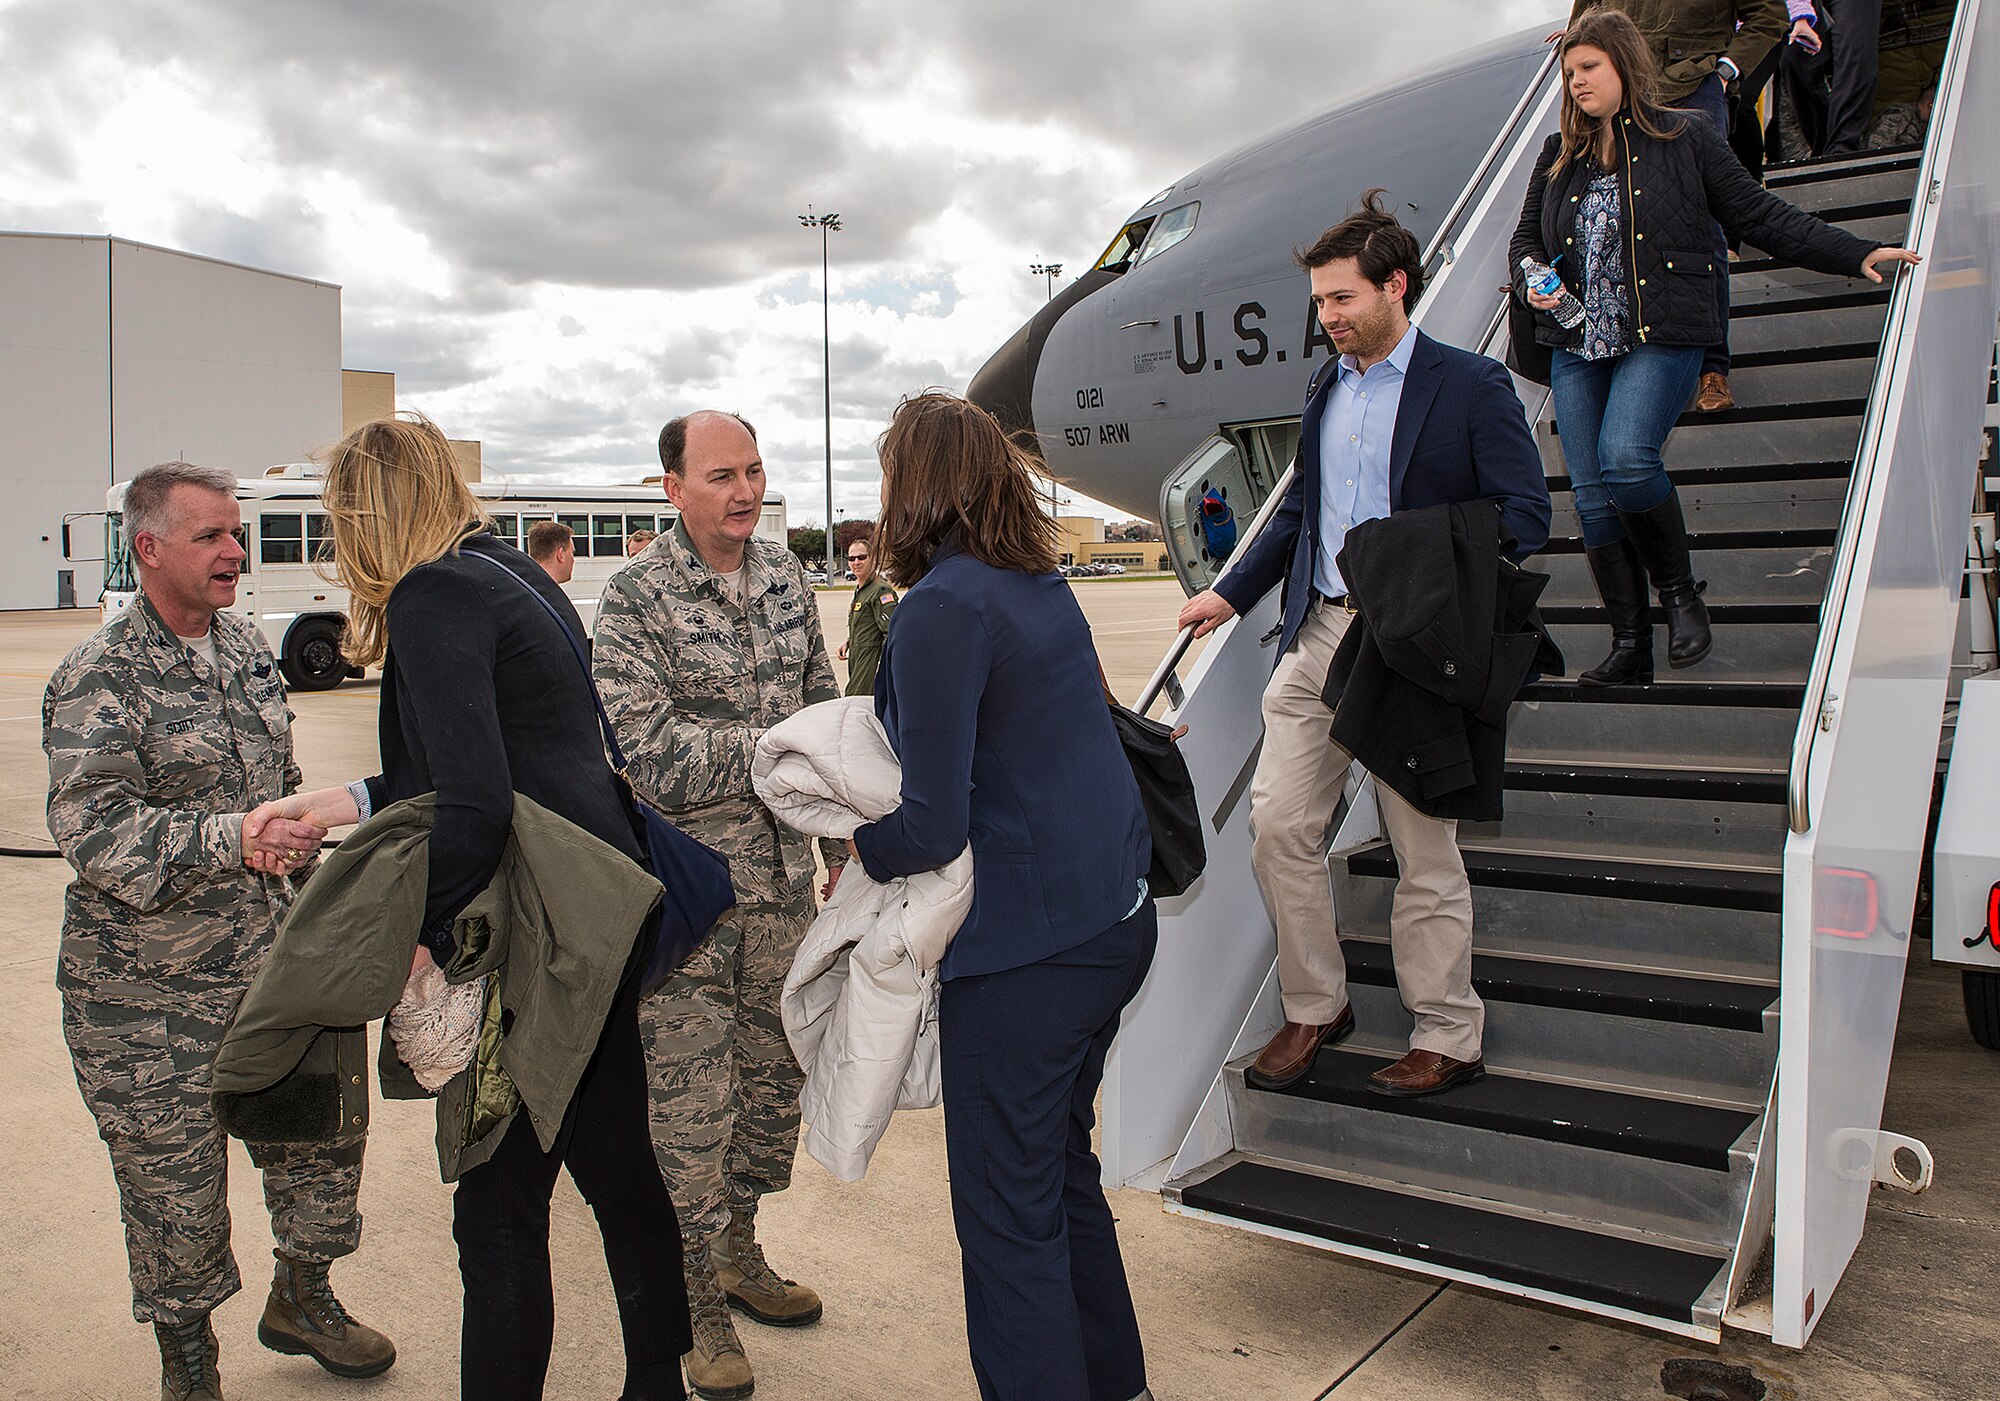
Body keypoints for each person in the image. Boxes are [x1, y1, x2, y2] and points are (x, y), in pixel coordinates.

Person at [248, 415, 690, 1401]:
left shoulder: (432, 595)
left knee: (496, 1214)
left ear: (364, 513)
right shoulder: (504, 572)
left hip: (543, 943)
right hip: (600, 917)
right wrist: (343, 801)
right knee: (617, 1169)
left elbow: (477, 802)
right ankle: (657, 1381)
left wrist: (419, 939)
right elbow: (488, 758)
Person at [1177, 192, 1551, 1098]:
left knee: (1424, 847)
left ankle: (1448, 1031)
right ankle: (1316, 1006)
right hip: (1319, 633)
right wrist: (1228, 593)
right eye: (1320, 303)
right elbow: (1300, 508)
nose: (1328, 318)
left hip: (1410, 643)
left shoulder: (1470, 386)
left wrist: (1418, 573)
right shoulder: (1325, 389)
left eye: (1342, 299)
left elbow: (1525, 516)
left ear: (1396, 286)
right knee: (1278, 828)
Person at [42, 460, 395, 1401]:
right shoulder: (99, 675)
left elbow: (269, 790)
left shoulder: (244, 651)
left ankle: (304, 1295)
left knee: (319, 1142)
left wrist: (291, 848)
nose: (236, 551)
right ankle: (189, 1362)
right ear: (148, 548)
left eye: (237, 533)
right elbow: (94, 832)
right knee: (175, 1189)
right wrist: (232, 837)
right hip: (144, 994)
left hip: (270, 961)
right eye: (212, 536)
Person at [850, 391, 1155, 1401]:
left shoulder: (942, 605)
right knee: (1057, 1178)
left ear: (916, 483)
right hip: (1110, 921)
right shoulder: (1034, 583)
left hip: (1031, 957)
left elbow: (930, 826)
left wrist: (856, 848)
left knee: (1003, 1213)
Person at [1513, 10, 1918, 683]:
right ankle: (1631, 644)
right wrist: (1537, 280)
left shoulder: (1686, 137)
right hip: (1577, 341)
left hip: (1665, 333)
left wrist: (1856, 252)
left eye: (1590, 68)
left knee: (1626, 459)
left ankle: (1680, 595)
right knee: (1589, 498)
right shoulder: (1558, 156)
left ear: (1624, 67)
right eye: (1570, 72)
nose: (1577, 81)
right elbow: (1526, 242)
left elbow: (1760, 216)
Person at [593, 410, 842, 1400]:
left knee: (770, 1089)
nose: (743, 491)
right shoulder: (634, 598)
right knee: (688, 1110)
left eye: (753, 471)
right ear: (672, 488)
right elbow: (640, 750)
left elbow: (825, 712)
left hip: (783, 890)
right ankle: (695, 1303)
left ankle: (739, 1249)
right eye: (720, 475)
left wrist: (839, 838)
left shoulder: (786, 576)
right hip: (687, 901)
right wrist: (773, 752)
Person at [1554, 0, 1789, 412]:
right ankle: (1634, 356)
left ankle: (1712, 368)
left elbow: (1769, 15)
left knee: (1700, 225)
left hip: (1690, 90)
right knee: (1614, 222)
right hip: (1618, 99)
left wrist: (1725, 73)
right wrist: (1578, 61)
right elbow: (1584, 21)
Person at [836, 529, 897, 696]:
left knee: (856, 706)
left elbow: (891, 633)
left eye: (862, 557)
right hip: (858, 662)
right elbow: (867, 625)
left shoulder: (880, 591)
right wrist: (848, 642)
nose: (856, 562)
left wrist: (883, 668)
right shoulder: (862, 591)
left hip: (870, 667)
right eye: (852, 558)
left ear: (873, 559)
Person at [525, 519, 575, 583]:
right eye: (572, 553)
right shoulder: (548, 592)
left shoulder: (523, 587)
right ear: (560, 555)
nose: (573, 560)